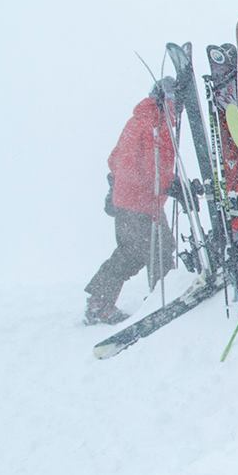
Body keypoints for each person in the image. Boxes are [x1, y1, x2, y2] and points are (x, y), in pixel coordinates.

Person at [83, 78, 181, 325]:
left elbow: (115, 158)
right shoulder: (156, 125)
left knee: (136, 251)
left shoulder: (138, 119)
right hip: (141, 202)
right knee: (156, 252)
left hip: (128, 200)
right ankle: (161, 303)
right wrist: (170, 184)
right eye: (175, 103)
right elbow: (154, 167)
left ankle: (100, 301)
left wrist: (115, 186)